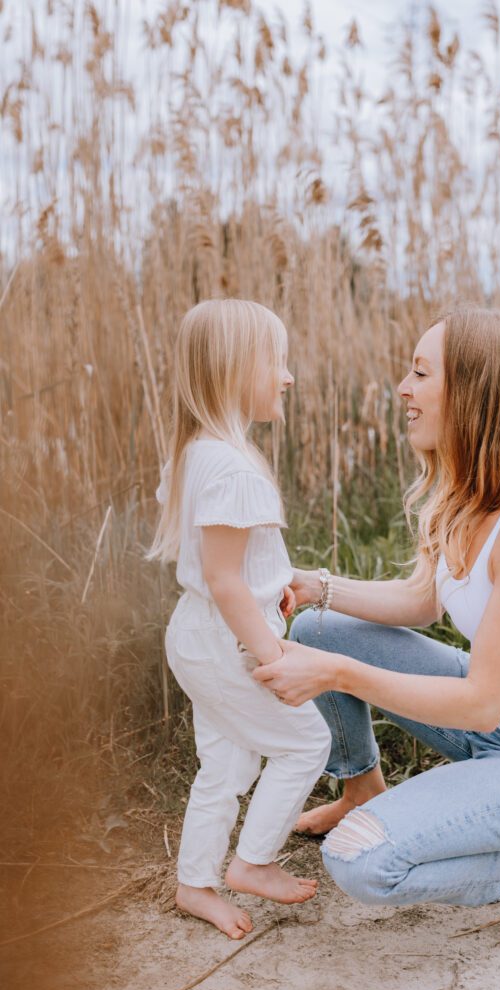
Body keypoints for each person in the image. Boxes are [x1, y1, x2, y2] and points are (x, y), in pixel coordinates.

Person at [253, 304, 500, 948]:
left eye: (421, 373)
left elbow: (479, 704)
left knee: (358, 860)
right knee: (316, 628)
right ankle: (361, 789)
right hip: (498, 717)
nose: (403, 388)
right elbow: (424, 601)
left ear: (476, 392)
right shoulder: (468, 491)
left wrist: (338, 674)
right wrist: (321, 587)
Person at [149, 298, 331, 940]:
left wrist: (275, 584)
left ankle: (195, 884)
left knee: (225, 766)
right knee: (307, 742)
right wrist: (273, 656)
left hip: (202, 632)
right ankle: (252, 862)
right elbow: (227, 581)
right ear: (233, 371)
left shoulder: (199, 454)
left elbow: (229, 568)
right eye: (275, 362)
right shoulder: (234, 467)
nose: (286, 376)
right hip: (227, 641)